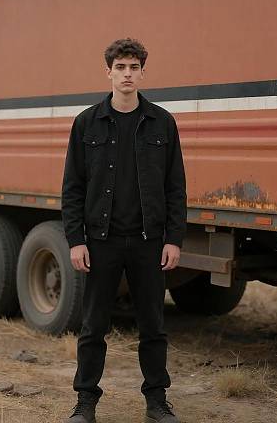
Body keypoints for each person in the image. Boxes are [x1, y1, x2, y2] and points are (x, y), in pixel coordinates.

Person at [61, 38, 187, 423]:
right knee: (93, 326)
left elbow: (175, 187)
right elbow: (73, 187)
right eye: (120, 68)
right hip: (102, 242)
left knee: (153, 325)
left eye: (134, 67)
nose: (127, 74)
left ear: (143, 72)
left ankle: (156, 401)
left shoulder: (162, 123)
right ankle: (85, 404)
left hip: (149, 243)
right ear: (109, 72)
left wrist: (174, 239)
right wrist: (76, 240)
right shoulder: (86, 123)